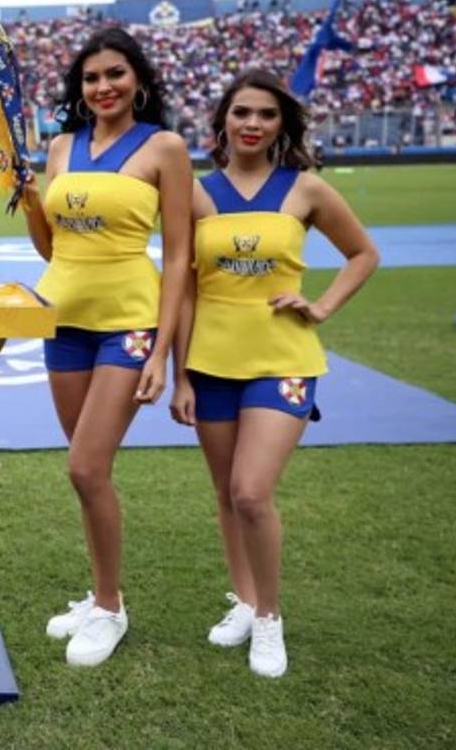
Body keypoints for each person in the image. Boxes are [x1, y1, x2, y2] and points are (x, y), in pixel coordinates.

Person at [169, 69, 379, 677]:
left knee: (251, 492)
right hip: (210, 365)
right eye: (242, 113)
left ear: (281, 124)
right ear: (223, 122)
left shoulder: (306, 189)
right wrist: (180, 375)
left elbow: (363, 253)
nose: (253, 124)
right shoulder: (197, 194)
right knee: (225, 495)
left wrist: (322, 306)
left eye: (265, 114)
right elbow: (181, 290)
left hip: (284, 360)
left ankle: (269, 618)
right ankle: (245, 599)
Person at [23, 28, 192, 667]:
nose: (103, 87)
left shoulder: (166, 148)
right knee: (90, 475)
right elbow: (53, 247)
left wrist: (162, 354)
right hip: (62, 318)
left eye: (115, 74)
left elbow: (178, 257)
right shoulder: (63, 145)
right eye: (91, 79)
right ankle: (99, 598)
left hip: (130, 321)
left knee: (85, 467)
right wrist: (33, 201)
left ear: (138, 80)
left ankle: (111, 608)